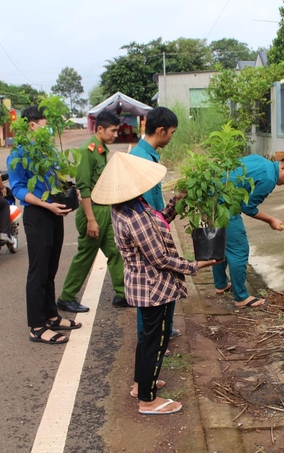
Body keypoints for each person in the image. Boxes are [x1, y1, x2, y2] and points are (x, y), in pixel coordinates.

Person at [91, 151, 218, 415]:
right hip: (153, 287)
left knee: (149, 338)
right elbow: (159, 258)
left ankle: (141, 384)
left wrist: (175, 203)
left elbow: (158, 222)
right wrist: (195, 266)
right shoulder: (134, 216)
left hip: (148, 284)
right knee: (156, 339)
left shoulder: (131, 205)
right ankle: (148, 400)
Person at [8, 105, 80, 345]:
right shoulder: (18, 153)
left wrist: (69, 192)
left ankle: (51, 315)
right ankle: (37, 327)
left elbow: (56, 180)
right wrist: (46, 205)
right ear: (32, 125)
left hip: (53, 213)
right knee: (38, 271)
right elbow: (18, 188)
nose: (48, 128)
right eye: (45, 123)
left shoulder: (47, 151)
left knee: (50, 269)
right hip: (37, 215)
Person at [56, 110, 127, 313]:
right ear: (100, 129)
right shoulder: (86, 152)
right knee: (86, 255)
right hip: (93, 211)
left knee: (116, 251)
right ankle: (66, 297)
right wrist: (90, 219)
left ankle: (122, 294)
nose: (116, 135)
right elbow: (84, 188)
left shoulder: (102, 150)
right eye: (113, 131)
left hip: (105, 210)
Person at [213, 154, 284, 308]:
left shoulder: (257, 159)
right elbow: (247, 207)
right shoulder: (269, 179)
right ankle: (241, 298)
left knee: (221, 244)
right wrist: (271, 220)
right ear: (282, 168)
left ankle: (221, 284)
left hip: (212, 201)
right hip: (225, 207)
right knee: (239, 250)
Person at [129, 107, 181, 339]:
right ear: (160, 131)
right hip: (148, 235)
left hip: (155, 228)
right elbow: (144, 211)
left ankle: (165, 330)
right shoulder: (142, 162)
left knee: (164, 286)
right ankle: (148, 340)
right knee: (151, 292)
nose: (171, 137)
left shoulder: (147, 155)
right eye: (171, 132)